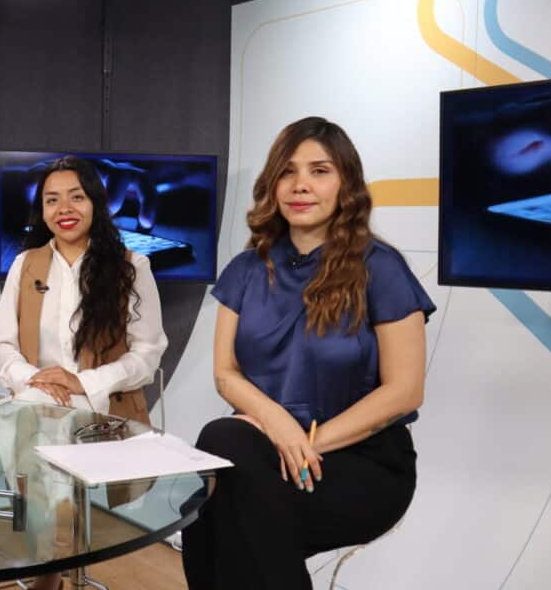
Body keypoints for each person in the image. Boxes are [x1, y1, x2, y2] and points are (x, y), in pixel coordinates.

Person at [180, 117, 436, 589]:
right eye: (287, 172)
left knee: (225, 485)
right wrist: (278, 425)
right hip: (266, 448)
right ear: (272, 185)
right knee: (219, 481)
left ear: (346, 184)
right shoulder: (246, 269)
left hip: (359, 459)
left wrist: (304, 445)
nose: (300, 185)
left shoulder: (381, 268)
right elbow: (226, 373)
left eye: (319, 171)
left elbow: (405, 391)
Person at [0, 155, 167, 590]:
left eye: (76, 197)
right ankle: (53, 566)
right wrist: (34, 377)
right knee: (35, 421)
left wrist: (82, 381)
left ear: (96, 203)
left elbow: (148, 354)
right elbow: (1, 346)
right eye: (52, 200)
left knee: (46, 441)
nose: (63, 209)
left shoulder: (131, 266)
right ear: (42, 209)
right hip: (36, 397)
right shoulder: (25, 264)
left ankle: (47, 571)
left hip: (103, 405)